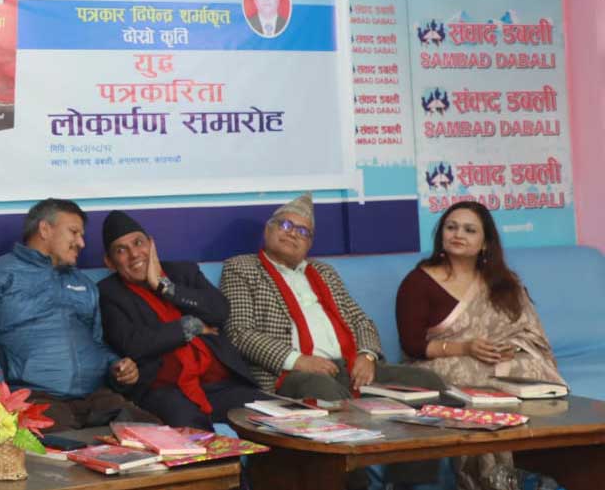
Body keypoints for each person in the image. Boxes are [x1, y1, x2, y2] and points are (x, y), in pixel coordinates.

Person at [221, 193, 445, 488]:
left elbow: (361, 320)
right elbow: (239, 332)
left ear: (309, 244)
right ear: (268, 229)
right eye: (285, 225)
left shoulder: (324, 272)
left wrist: (367, 355)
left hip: (349, 366)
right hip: (289, 374)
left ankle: (409, 484)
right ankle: (355, 484)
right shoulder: (241, 268)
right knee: (326, 392)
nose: (293, 234)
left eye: (303, 232)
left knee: (427, 383)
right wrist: (299, 360)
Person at [396, 201, 564, 490]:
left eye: (469, 230)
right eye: (451, 227)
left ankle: (548, 470)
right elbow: (412, 345)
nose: (458, 234)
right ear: (441, 234)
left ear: (485, 243)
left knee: (529, 369)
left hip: (497, 363)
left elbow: (530, 334)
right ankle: (490, 479)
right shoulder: (418, 282)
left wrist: (511, 349)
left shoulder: (503, 283)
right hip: (441, 362)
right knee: (470, 374)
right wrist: (465, 348)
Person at [0, 198, 155, 431]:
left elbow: (96, 344)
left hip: (95, 399)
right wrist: (0, 406)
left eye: (82, 235)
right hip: (34, 398)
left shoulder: (84, 284)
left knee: (153, 434)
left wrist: (116, 367)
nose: (81, 243)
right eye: (74, 232)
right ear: (45, 229)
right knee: (64, 446)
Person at [97, 210, 268, 430]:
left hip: (220, 383)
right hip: (165, 390)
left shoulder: (183, 272)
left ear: (151, 244)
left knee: (276, 417)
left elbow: (220, 311)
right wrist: (191, 326)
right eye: (121, 250)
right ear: (110, 262)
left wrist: (165, 287)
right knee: (189, 428)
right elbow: (134, 344)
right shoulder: (108, 293)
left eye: (138, 243)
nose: (134, 254)